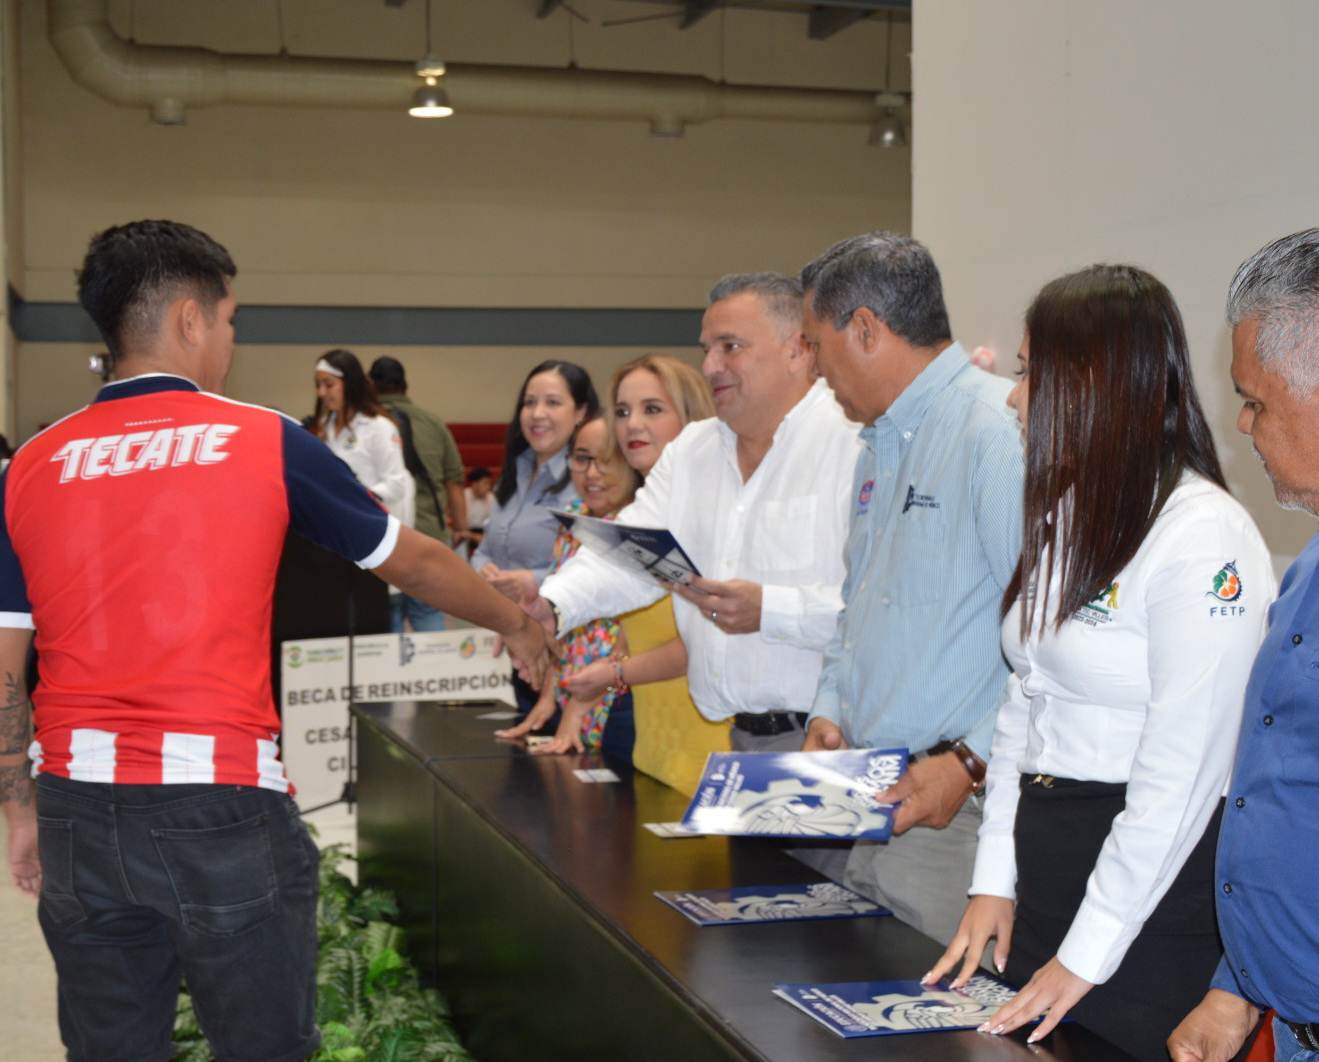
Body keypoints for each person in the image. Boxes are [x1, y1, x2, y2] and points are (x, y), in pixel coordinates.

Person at [0, 220, 551, 1062]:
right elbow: (413, 561)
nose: (230, 340)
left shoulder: (30, 465)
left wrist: (18, 806)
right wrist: (516, 624)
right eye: (230, 320)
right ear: (189, 319)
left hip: (75, 802)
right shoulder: (260, 438)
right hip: (217, 800)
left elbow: (6, 668)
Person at [922, 265, 1272, 1061]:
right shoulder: (1068, 513)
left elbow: (1182, 775)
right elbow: (1023, 705)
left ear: (1089, 384)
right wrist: (993, 879)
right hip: (1048, 867)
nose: (1014, 399)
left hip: (1151, 895)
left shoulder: (1200, 534)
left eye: (1029, 374)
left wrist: (1087, 953)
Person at [797, 233, 1023, 945]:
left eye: (815, 344)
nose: (814, 369)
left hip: (954, 810)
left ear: (865, 329)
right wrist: (829, 709)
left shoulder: (996, 431)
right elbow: (859, 606)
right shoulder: (877, 445)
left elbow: (1050, 639)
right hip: (872, 791)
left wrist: (971, 760)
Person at [536, 274, 861, 752]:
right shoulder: (693, 451)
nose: (710, 366)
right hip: (744, 737)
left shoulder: (855, 442)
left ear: (797, 349)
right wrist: (551, 606)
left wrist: (770, 610)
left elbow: (884, 609)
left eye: (731, 347)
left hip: (839, 737)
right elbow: (632, 555)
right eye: (707, 349)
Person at [1169, 228, 1319, 1062]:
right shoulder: (1307, 568)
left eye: (1255, 402)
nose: (1243, 424)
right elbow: (1288, 792)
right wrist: (1237, 986)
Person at [557, 354, 730, 794]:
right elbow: (634, 628)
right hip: (655, 748)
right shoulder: (636, 516)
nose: (632, 424)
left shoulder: (719, 513)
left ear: (692, 418)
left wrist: (615, 675)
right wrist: (587, 692)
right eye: (622, 411)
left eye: (652, 409)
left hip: (712, 750)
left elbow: (712, 639)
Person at [497, 414, 640, 761]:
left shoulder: (642, 527)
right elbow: (564, 623)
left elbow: (632, 634)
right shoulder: (573, 518)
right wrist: (549, 697)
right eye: (582, 459)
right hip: (573, 691)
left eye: (607, 460)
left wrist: (579, 704)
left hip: (623, 697)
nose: (592, 473)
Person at [472, 360, 598, 713]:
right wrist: (485, 571)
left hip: (571, 649)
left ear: (581, 412)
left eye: (553, 402)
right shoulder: (515, 472)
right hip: (519, 640)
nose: (537, 413)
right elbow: (483, 549)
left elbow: (600, 566)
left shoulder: (590, 479)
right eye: (529, 402)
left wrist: (534, 580)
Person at [368, 355, 467, 632]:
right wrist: (460, 528)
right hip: (428, 537)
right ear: (405, 384)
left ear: (371, 385)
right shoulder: (433, 424)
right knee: (428, 614)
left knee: (387, 624)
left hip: (384, 540)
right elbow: (454, 480)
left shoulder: (365, 427)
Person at [312, 348, 415, 527]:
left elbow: (396, 485)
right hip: (336, 525)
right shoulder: (324, 428)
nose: (321, 393)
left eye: (328, 385)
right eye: (318, 385)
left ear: (350, 384)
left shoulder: (379, 428)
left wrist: (356, 498)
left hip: (371, 526)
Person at [461, 466, 495, 554]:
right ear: (474, 484)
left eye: (490, 484)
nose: (488, 487)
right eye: (485, 483)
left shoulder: (492, 499)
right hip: (465, 533)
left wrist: (474, 536)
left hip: (484, 534)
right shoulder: (462, 496)